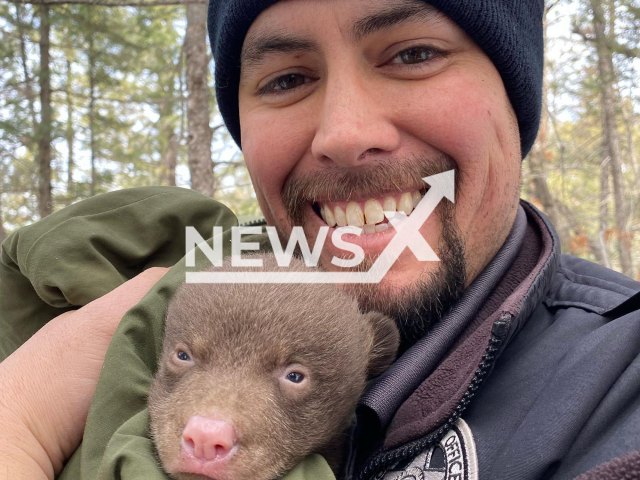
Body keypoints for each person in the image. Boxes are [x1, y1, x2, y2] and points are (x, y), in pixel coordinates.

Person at [1, 1, 639, 479]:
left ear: (515, 96)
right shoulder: (165, 288)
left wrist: (20, 430)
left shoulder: (618, 390)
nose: (343, 132)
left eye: (413, 54)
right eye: (286, 79)